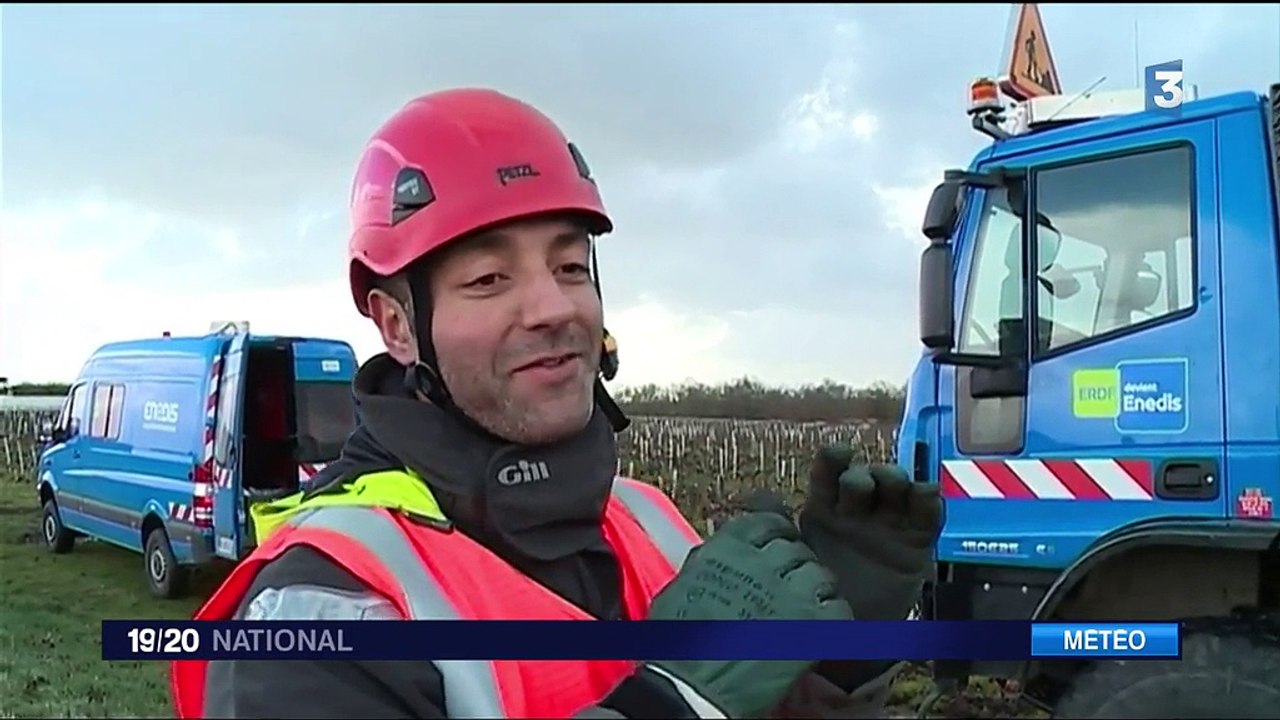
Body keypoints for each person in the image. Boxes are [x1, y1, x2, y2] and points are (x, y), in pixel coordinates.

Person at [170, 87, 944, 719]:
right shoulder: (321, 612)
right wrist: (669, 704)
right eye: (488, 280)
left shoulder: (646, 522)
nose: (553, 307)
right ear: (399, 326)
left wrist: (837, 663)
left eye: (570, 267)